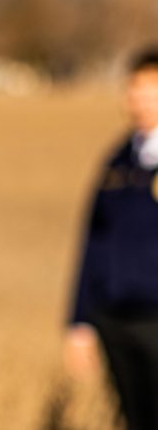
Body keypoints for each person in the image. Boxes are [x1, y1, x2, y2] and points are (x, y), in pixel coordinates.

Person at [67, 48, 158, 430]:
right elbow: (94, 242)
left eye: (149, 89)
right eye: (132, 89)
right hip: (116, 318)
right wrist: (80, 320)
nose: (137, 99)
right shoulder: (118, 161)